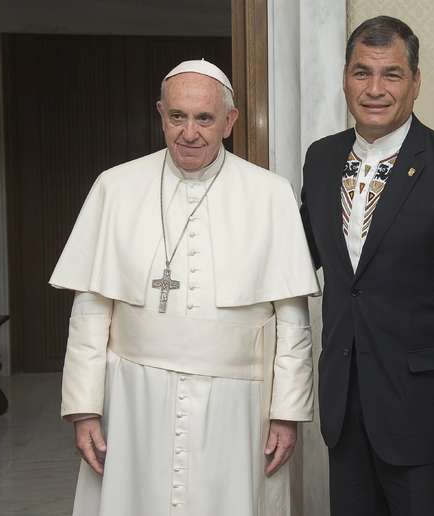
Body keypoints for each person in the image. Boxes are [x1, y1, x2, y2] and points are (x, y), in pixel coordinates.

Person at [50, 59, 320, 516]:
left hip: (237, 406)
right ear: (160, 113)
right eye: (177, 117)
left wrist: (286, 413)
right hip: (136, 399)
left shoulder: (270, 194)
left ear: (230, 122)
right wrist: (84, 408)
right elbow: (91, 309)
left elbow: (292, 317)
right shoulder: (115, 188)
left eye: (204, 118)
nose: (188, 133)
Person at [300, 16, 434, 516]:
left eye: (391, 74)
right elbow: (299, 258)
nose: (375, 89)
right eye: (361, 73)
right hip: (345, 417)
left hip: (429, 427)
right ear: (344, 78)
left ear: (416, 82)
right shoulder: (321, 159)